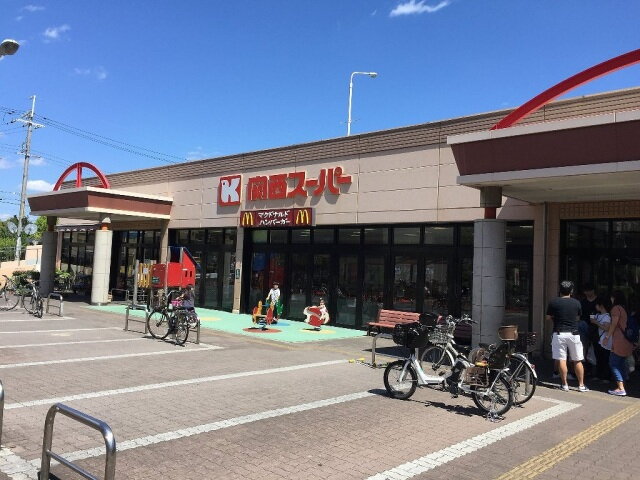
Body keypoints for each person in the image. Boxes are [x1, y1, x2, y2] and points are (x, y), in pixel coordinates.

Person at [546, 280, 589, 392]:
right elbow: (578, 318)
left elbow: (548, 317)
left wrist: (556, 317)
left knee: (561, 359)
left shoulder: (554, 302)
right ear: (571, 291)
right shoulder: (577, 303)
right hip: (574, 333)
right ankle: (581, 385)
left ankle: (564, 384)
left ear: (559, 290)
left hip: (559, 333)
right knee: (577, 360)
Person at [603, 290, 633, 396]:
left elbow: (614, 324)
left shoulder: (616, 308)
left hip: (619, 340)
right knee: (621, 363)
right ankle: (622, 385)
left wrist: (607, 337)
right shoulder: (625, 308)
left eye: (612, 297)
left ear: (614, 298)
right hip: (627, 339)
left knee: (613, 363)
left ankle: (620, 388)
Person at [590, 294, 612, 382]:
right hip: (598, 340)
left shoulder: (607, 316)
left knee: (605, 359)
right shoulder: (598, 315)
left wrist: (596, 322)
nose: (595, 306)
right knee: (598, 358)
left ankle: (606, 377)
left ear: (601, 306)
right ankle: (599, 375)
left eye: (597, 305)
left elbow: (606, 328)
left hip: (604, 340)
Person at [579, 283, 598, 373]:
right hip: (585, 326)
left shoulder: (598, 301)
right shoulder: (583, 302)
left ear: (593, 290)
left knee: (595, 348)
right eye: (585, 291)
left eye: (588, 291)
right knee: (585, 348)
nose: (586, 293)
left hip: (596, 327)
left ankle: (596, 370)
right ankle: (587, 369)